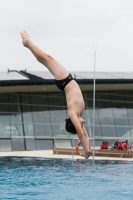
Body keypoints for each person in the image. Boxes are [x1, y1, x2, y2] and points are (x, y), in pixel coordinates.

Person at [20, 31, 92, 159]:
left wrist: (85, 150)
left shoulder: (73, 113)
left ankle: (28, 43)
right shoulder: (79, 114)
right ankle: (28, 44)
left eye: (80, 125)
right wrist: (88, 149)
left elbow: (80, 133)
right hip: (67, 79)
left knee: (47, 59)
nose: (83, 124)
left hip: (64, 80)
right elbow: (84, 135)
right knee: (46, 59)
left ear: (73, 123)